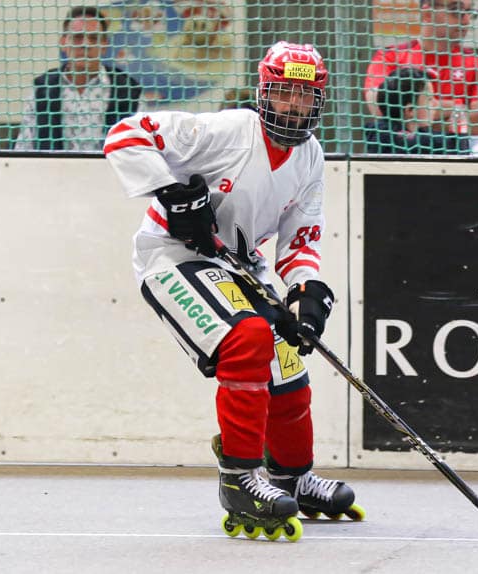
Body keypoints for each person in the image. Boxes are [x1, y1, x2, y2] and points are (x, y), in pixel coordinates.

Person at [104, 41, 363, 541]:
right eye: (284, 92)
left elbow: (300, 238)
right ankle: (239, 478)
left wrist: (303, 291)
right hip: (171, 256)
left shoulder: (310, 156)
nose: (294, 105)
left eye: (305, 95)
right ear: (264, 92)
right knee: (248, 337)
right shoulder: (226, 131)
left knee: (286, 353)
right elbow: (126, 134)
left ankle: (291, 475)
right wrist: (171, 193)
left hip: (238, 266)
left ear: (319, 101)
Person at [363, 0, 478, 137]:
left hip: (459, 151)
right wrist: (458, 107)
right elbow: (380, 108)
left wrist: (415, 119)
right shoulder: (389, 57)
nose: (466, 21)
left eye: (469, 12)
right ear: (428, 14)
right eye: (457, 10)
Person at [15, 6, 141, 151]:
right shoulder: (42, 90)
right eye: (77, 37)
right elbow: (23, 148)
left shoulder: (128, 90)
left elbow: (141, 149)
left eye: (93, 38)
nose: (85, 44)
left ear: (104, 45)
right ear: (63, 42)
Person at [365, 66, 469, 154]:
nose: (436, 104)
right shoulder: (383, 134)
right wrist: (459, 135)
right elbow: (454, 149)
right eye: (429, 99)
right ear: (410, 110)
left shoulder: (421, 132)